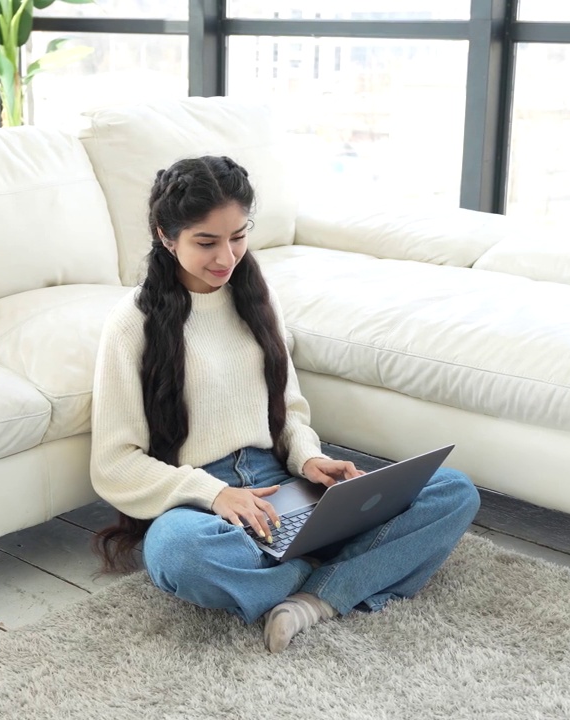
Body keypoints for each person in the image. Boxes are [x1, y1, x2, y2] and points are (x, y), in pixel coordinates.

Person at [89, 155, 479, 653]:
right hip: (203, 504)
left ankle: (310, 598)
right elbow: (114, 464)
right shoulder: (130, 325)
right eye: (206, 242)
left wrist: (310, 459)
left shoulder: (254, 296)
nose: (226, 257)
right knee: (177, 555)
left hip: (282, 486)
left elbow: (288, 409)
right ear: (166, 236)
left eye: (238, 236)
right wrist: (213, 494)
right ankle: (335, 572)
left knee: (452, 490)